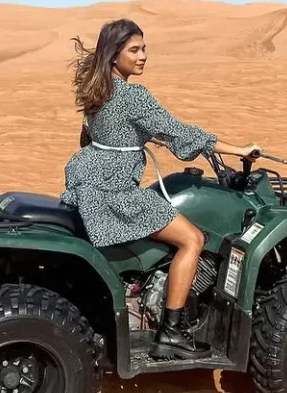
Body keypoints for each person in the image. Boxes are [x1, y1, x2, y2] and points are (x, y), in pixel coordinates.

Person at [61, 19, 261, 360]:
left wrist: (137, 136)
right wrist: (239, 149)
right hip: (115, 194)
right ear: (113, 55)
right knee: (192, 239)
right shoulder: (132, 95)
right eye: (134, 50)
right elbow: (179, 132)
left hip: (88, 185)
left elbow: (92, 137)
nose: (143, 57)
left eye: (144, 49)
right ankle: (171, 333)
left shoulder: (98, 89)